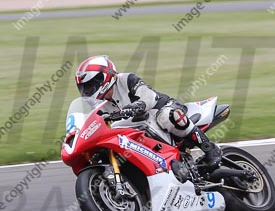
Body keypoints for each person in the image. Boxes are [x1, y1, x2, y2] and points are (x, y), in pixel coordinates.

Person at [75, 54, 222, 169]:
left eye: (91, 85)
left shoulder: (126, 80)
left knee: (168, 116)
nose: (88, 90)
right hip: (136, 131)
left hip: (159, 110)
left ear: (105, 77)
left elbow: (149, 96)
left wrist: (136, 106)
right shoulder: (100, 105)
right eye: (85, 88)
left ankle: (209, 149)